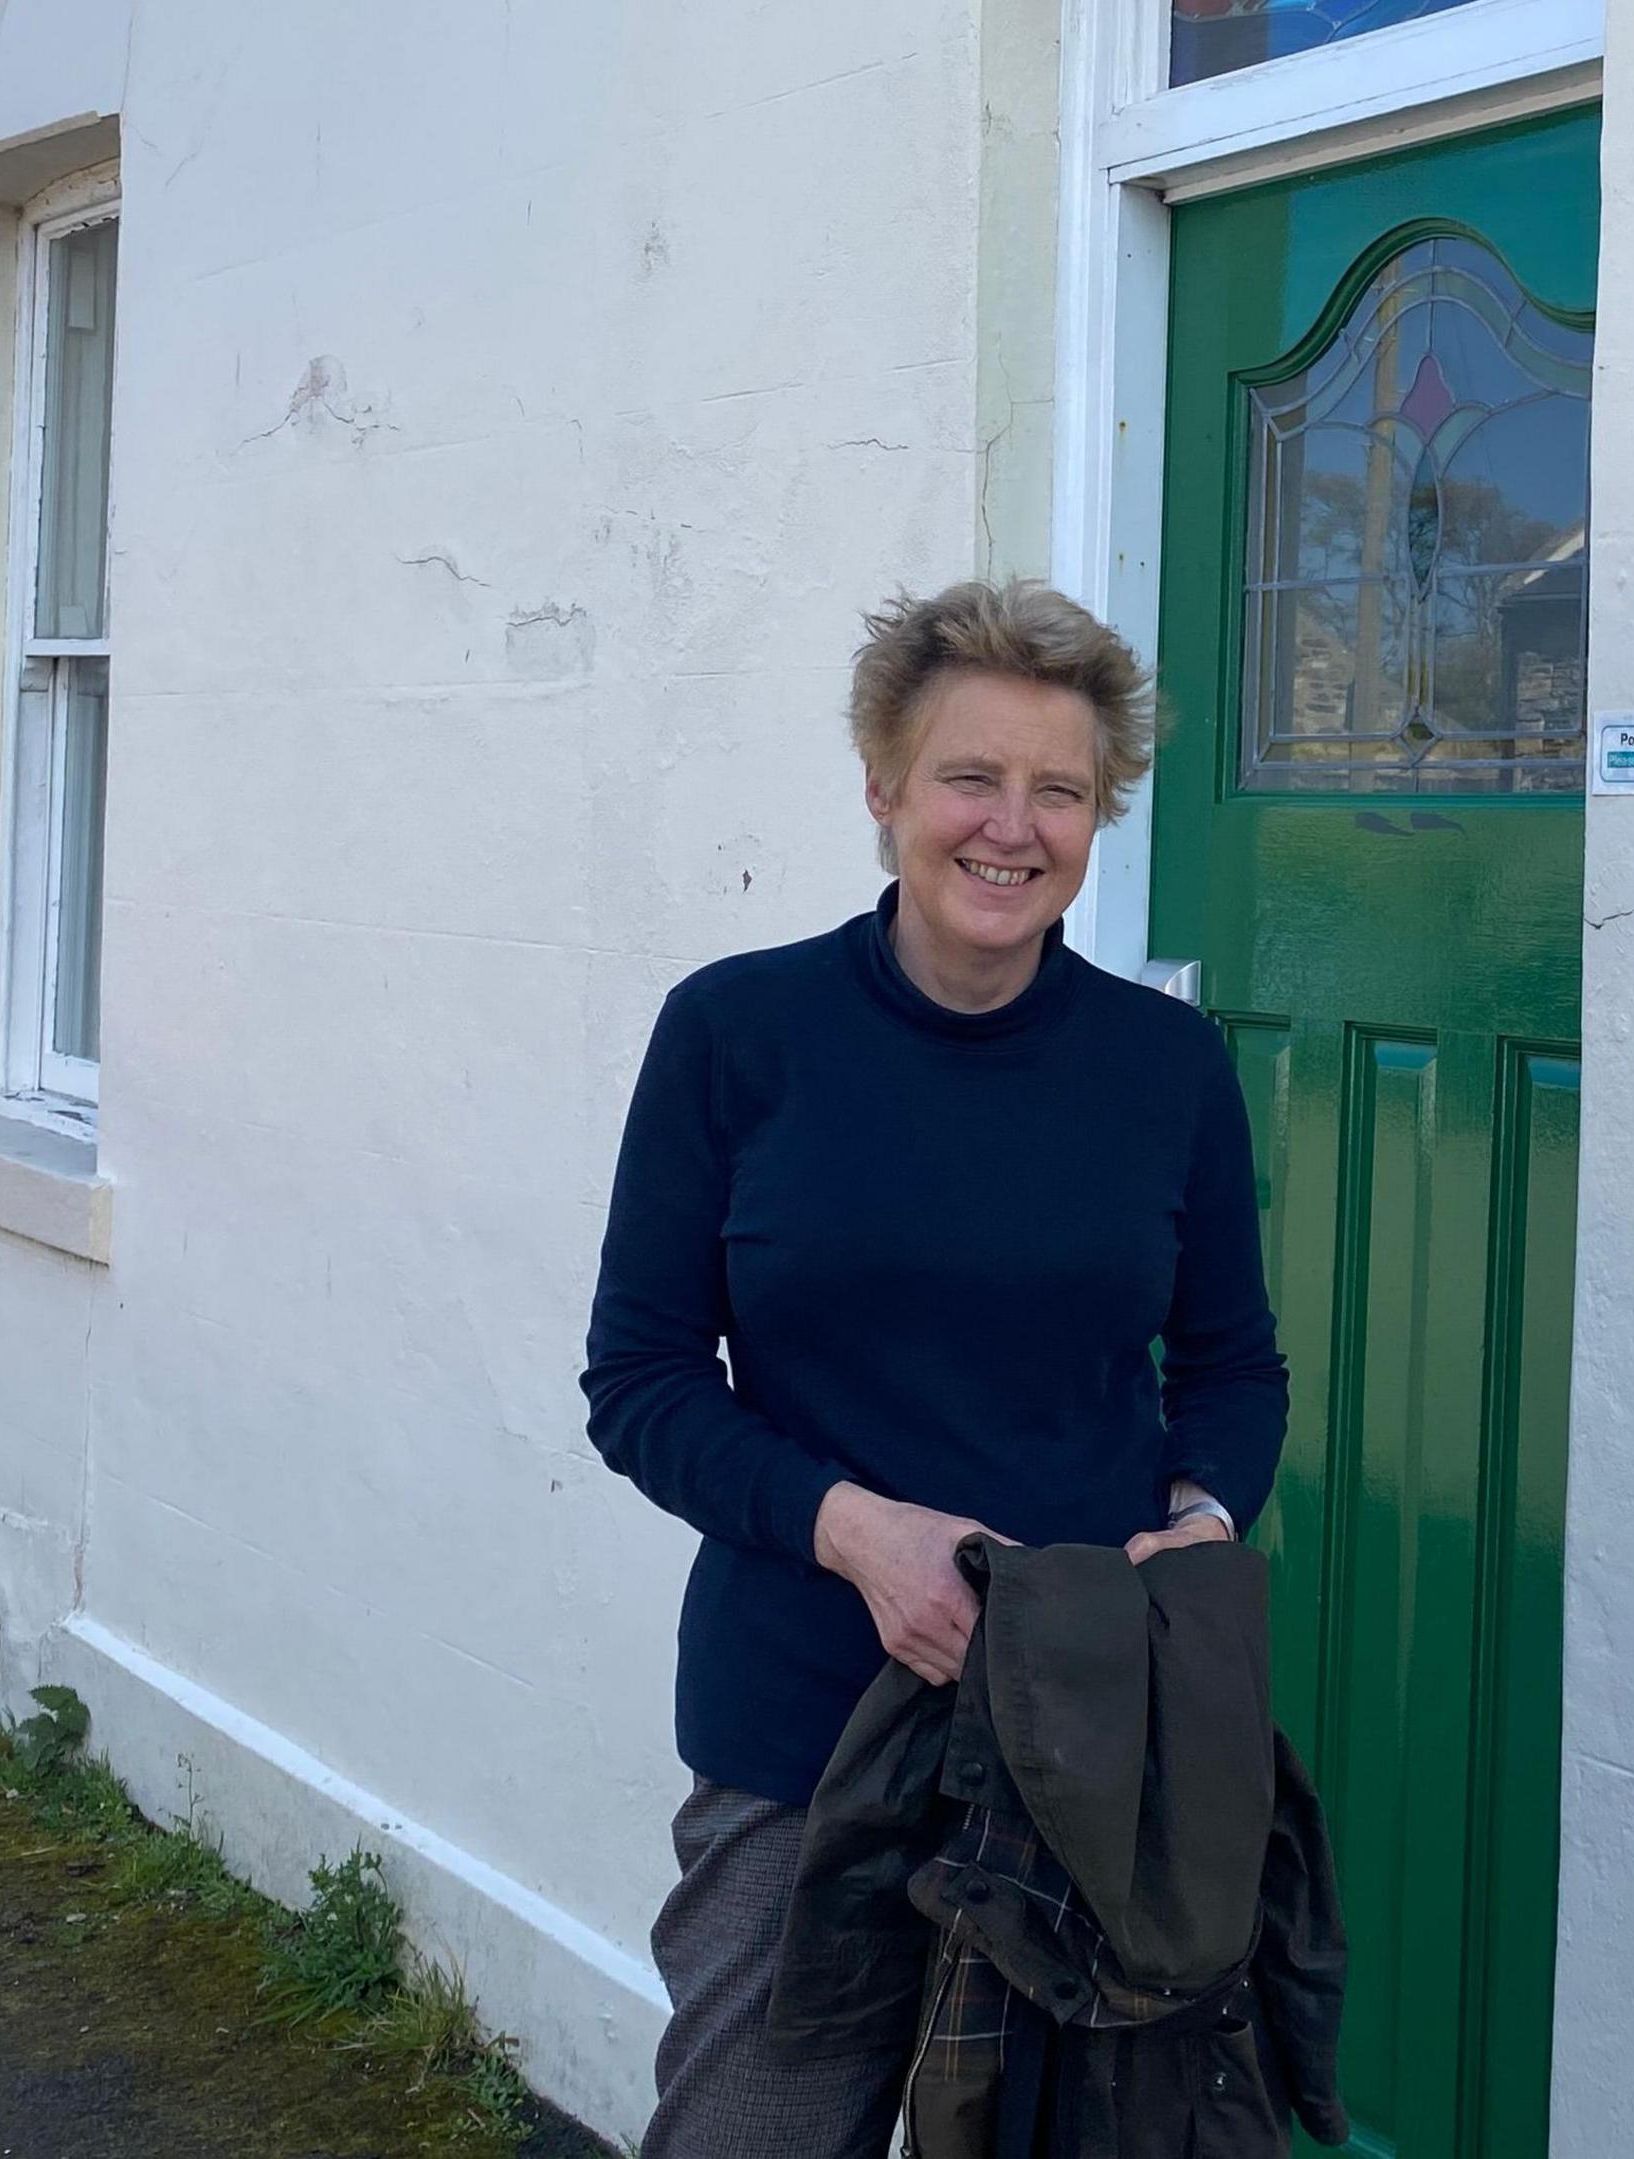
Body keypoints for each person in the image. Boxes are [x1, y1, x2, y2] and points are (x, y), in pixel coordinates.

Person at [581, 579, 1290, 2153]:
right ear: (886, 787)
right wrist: (856, 1530)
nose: (1012, 827)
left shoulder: (1164, 1069)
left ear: (1101, 817)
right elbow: (638, 1379)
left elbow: (1234, 1368)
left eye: (1062, 792)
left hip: (1091, 1745)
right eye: (972, 777)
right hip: (803, 1737)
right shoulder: (737, 1035)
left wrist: (1204, 1515)